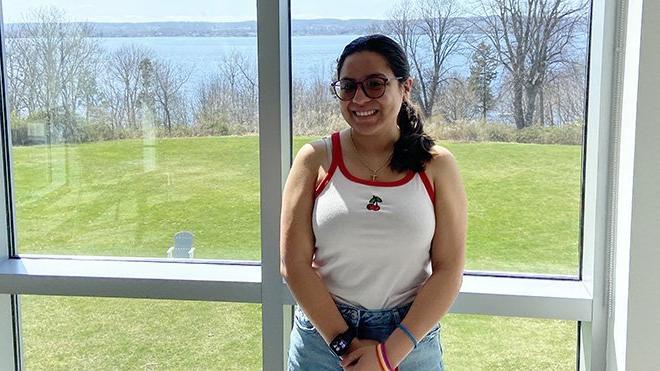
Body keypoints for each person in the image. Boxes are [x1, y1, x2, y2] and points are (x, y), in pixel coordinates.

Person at [280, 34, 467, 371]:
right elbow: (293, 265)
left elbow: (449, 269)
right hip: (322, 341)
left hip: (410, 339)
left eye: (375, 84)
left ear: (405, 87)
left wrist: (387, 355)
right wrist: (344, 344)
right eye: (348, 86)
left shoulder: (437, 165)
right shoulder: (314, 160)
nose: (360, 97)